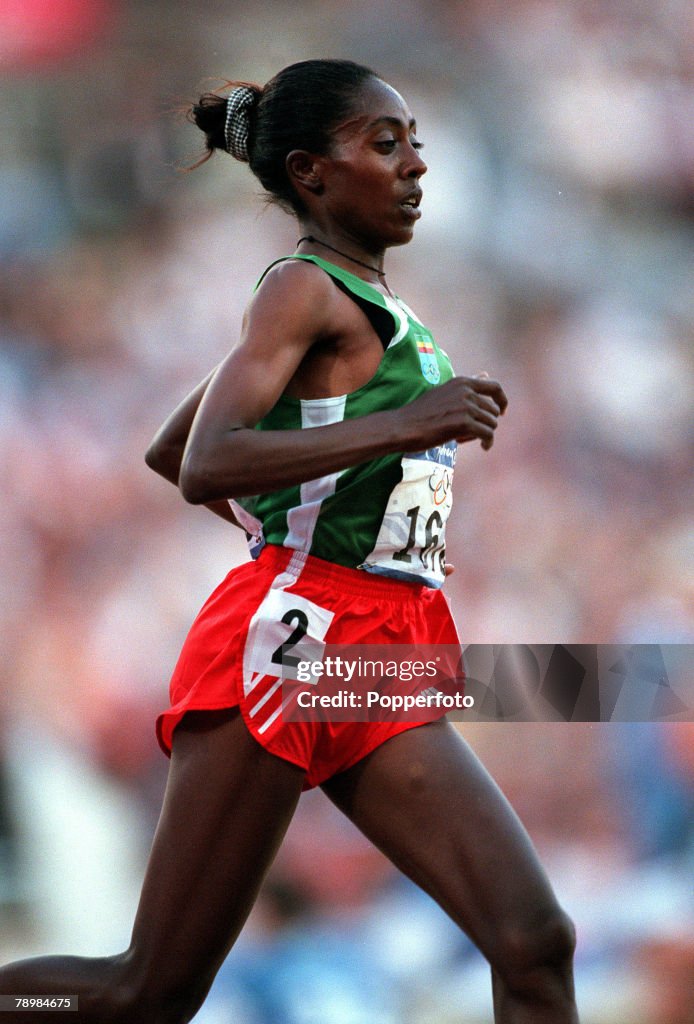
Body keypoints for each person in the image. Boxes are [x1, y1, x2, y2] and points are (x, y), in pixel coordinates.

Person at [0, 59, 579, 1023]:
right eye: (385, 145)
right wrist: (406, 427)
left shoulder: (370, 303)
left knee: (533, 942)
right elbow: (202, 464)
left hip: (381, 650)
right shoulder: (301, 291)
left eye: (417, 145)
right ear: (311, 172)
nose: (415, 167)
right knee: (150, 992)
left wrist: (313, 496)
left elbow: (168, 444)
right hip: (295, 642)